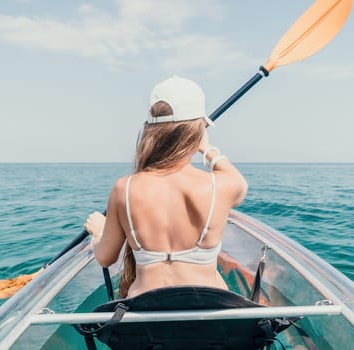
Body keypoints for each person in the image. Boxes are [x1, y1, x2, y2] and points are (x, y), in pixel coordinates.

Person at [84, 76, 248, 298]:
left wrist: (99, 232)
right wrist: (207, 149)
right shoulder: (217, 186)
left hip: (148, 318)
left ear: (150, 131)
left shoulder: (124, 189)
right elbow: (238, 181)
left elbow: (105, 257)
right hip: (209, 315)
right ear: (198, 130)